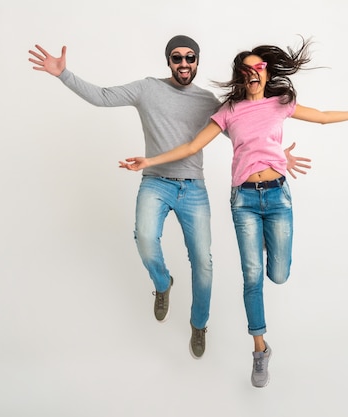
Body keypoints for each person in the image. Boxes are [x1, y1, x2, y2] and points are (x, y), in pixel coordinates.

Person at [27, 35, 312, 359]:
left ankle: (199, 324)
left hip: (193, 188)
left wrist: (277, 159)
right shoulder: (147, 89)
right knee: (146, 238)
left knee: (203, 263)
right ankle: (163, 283)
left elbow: (252, 128)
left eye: (190, 58)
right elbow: (102, 97)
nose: (184, 64)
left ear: (197, 61)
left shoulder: (209, 101)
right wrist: (64, 73)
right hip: (155, 182)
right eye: (177, 58)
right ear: (168, 61)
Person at [120, 36, 348, 386]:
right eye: (246, 70)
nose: (254, 74)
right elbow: (191, 145)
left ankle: (263, 247)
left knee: (279, 274)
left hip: (277, 199)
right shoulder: (229, 111)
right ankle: (260, 350)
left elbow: (321, 117)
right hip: (243, 200)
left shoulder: (280, 104)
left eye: (259, 68)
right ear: (241, 77)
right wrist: (149, 160)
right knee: (253, 278)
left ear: (267, 72)